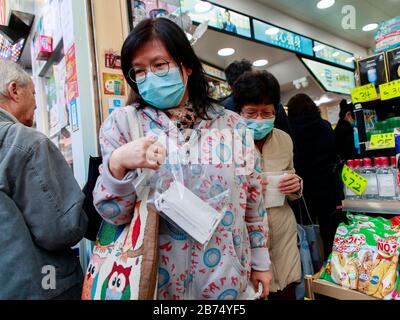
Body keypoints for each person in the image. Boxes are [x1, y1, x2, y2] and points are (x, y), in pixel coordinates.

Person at [93, 18, 271, 300]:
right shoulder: (122, 125)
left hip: (225, 282)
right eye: (139, 71)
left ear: (187, 66)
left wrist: (261, 262)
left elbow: (254, 200)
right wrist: (117, 164)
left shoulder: (233, 126)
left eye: (160, 65)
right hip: (154, 285)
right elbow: (112, 215)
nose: (150, 76)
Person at [0, 60, 88, 299]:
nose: (38, 103)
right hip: (44, 287)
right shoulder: (24, 142)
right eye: (34, 92)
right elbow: (62, 230)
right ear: (14, 90)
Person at [233, 70, 302, 299]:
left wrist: (296, 186)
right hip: (247, 239)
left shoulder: (284, 139)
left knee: (287, 291)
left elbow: (292, 175)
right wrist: (248, 188)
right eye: (251, 113)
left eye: (267, 113)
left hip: (283, 233)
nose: (260, 120)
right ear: (239, 112)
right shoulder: (227, 141)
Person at [287, 94, 341, 258]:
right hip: (327, 185)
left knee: (306, 229)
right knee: (329, 228)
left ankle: (311, 266)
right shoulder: (324, 125)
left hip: (304, 189)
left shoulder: (290, 130)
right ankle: (332, 263)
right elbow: (334, 152)